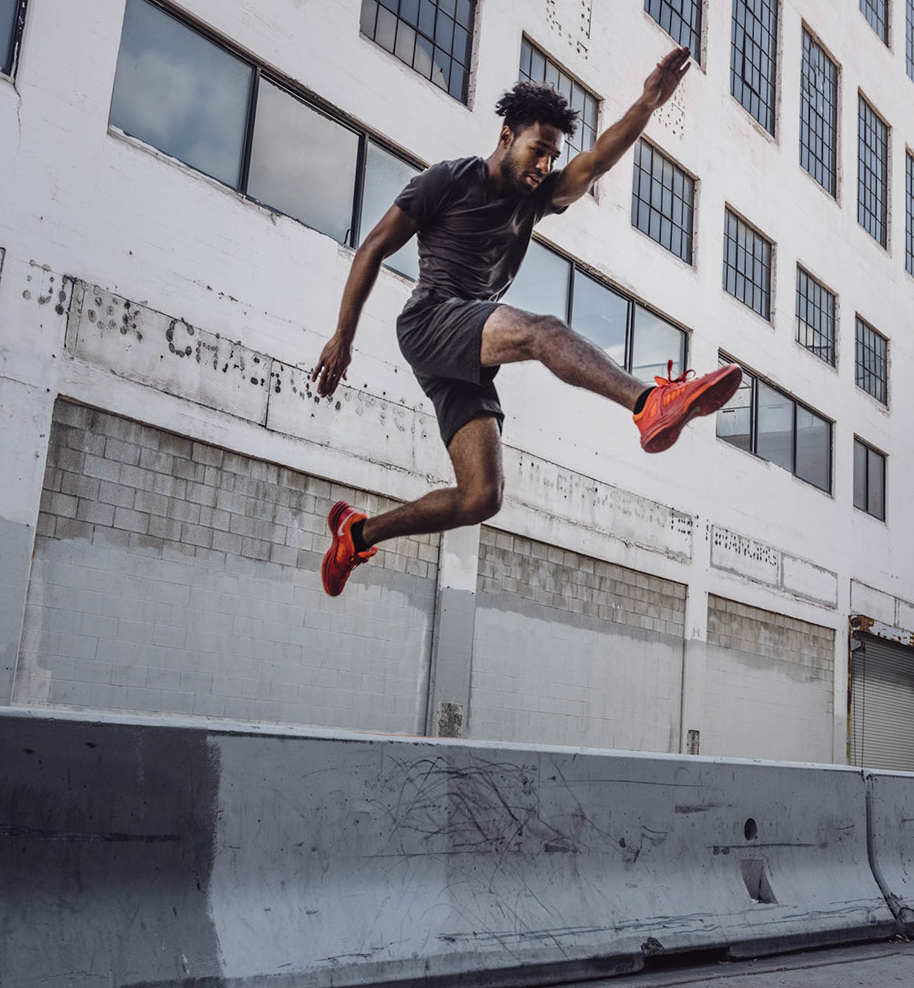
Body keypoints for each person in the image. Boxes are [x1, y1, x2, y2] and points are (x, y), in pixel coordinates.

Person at [312, 46, 742, 597]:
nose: (544, 167)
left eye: (550, 156)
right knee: (543, 332)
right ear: (505, 137)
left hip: (464, 354)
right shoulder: (447, 181)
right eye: (537, 151)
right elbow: (373, 246)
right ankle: (648, 403)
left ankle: (357, 533)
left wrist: (647, 104)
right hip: (430, 322)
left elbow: (596, 163)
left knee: (480, 498)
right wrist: (342, 337)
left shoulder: (535, 198)